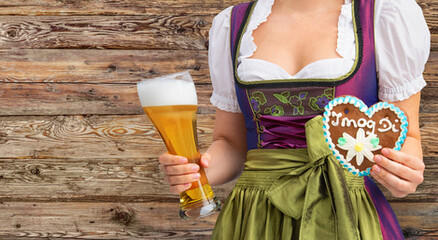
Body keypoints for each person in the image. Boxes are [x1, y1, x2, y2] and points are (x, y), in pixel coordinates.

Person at [158, 0, 427, 238]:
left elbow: (407, 137)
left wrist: (403, 174)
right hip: (256, 216)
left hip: (347, 211)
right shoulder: (232, 24)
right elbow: (231, 144)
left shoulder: (384, 15)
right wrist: (198, 171)